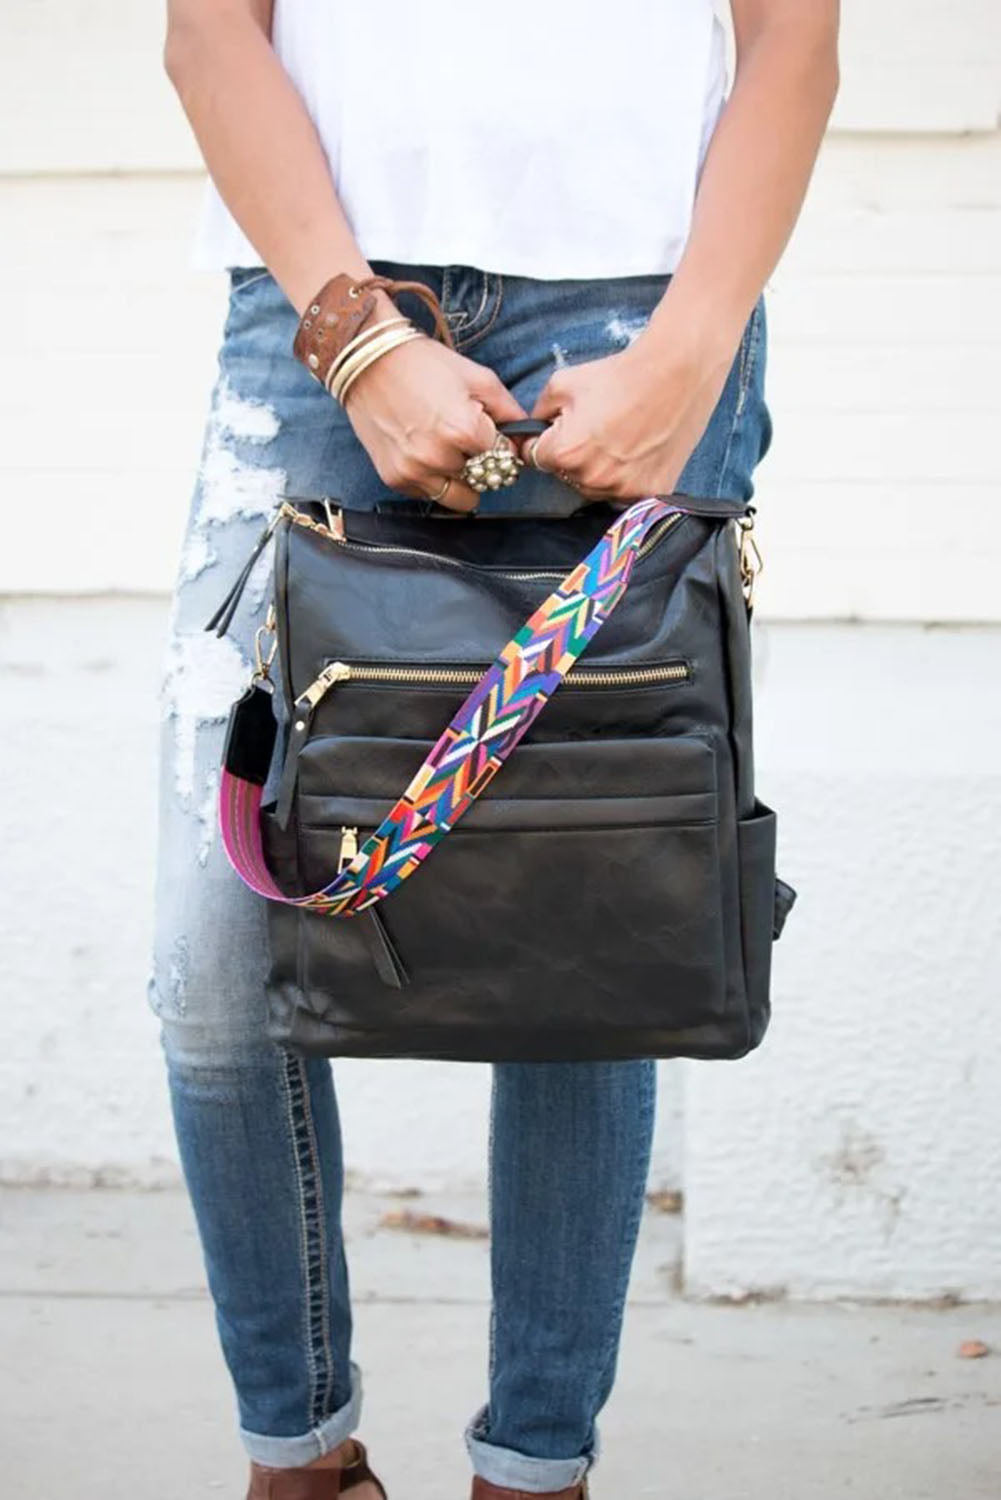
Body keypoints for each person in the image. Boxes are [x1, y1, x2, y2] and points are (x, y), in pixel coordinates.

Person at [156, 2, 839, 1496]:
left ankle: (534, 1469)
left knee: (583, 953)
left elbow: (794, 37)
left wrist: (695, 348)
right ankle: (302, 1456)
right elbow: (208, 30)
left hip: (642, 313)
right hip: (316, 312)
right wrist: (350, 331)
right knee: (215, 966)